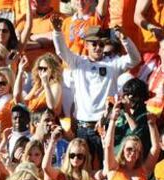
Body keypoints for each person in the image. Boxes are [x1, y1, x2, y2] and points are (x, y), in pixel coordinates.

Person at [51, 15, 141, 168]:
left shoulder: (113, 65)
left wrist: (125, 38)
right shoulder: (78, 62)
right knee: (82, 171)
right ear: (86, 45)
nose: (98, 47)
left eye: (101, 44)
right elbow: (61, 52)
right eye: (94, 44)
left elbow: (135, 59)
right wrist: (57, 31)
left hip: (105, 127)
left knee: (106, 169)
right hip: (82, 128)